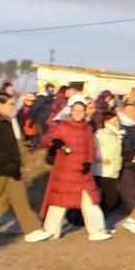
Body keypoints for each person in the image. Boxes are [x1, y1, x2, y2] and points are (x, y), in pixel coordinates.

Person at [32, 99, 111, 242]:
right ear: (71, 112)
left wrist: (88, 161)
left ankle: (97, 230)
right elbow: (45, 140)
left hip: (82, 172)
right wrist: (54, 142)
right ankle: (51, 231)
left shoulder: (87, 128)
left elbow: (91, 148)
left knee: (90, 202)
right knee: (59, 202)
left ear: (85, 112)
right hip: (65, 172)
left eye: (81, 110)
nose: (78, 113)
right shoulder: (63, 126)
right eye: (75, 110)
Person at [0, 92, 40, 238]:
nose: (13, 107)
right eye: (10, 104)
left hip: (11, 169)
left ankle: (32, 230)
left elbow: (11, 146)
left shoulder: (6, 120)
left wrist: (16, 164)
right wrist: (7, 164)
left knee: (20, 200)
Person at [92, 103, 126, 223]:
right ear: (108, 120)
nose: (118, 121)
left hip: (113, 169)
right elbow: (93, 148)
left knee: (111, 197)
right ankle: (98, 220)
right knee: (112, 197)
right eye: (115, 119)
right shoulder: (100, 134)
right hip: (102, 169)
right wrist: (100, 158)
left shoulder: (117, 134)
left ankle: (100, 220)